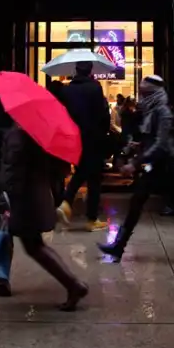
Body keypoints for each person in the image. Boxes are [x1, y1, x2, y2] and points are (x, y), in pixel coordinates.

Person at [0, 120, 89, 311]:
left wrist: (5, 194)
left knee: (34, 246)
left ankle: (73, 285)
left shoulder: (19, 135)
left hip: (23, 200)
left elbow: (12, 171)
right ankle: (0, 281)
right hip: (37, 195)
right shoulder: (40, 132)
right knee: (8, 236)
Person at [98, 76, 174, 264]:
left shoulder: (162, 111)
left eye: (145, 93)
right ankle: (119, 246)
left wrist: (135, 162)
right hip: (156, 166)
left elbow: (161, 144)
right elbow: (151, 139)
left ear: (154, 93)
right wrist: (137, 146)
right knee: (137, 202)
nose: (142, 97)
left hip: (167, 166)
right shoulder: (152, 110)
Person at [57, 61, 110, 231]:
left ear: (76, 70)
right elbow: (102, 114)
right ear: (90, 70)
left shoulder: (67, 90)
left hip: (74, 137)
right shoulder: (95, 88)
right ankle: (91, 218)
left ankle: (66, 202)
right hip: (93, 137)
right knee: (94, 178)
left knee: (81, 172)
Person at [46, 80, 70, 208]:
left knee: (51, 177)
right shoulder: (65, 108)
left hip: (48, 147)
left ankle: (52, 202)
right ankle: (58, 202)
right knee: (58, 177)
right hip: (60, 147)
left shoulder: (45, 107)